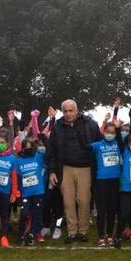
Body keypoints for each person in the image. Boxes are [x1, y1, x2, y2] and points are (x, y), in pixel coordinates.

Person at [47, 99, 101, 243]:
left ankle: (83, 231)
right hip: (65, 168)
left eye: (71, 110)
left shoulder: (90, 124)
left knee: (84, 201)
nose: (68, 113)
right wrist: (52, 171)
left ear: (77, 110)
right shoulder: (57, 126)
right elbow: (51, 150)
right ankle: (72, 232)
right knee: (68, 202)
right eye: (65, 111)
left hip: (86, 167)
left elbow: (99, 146)